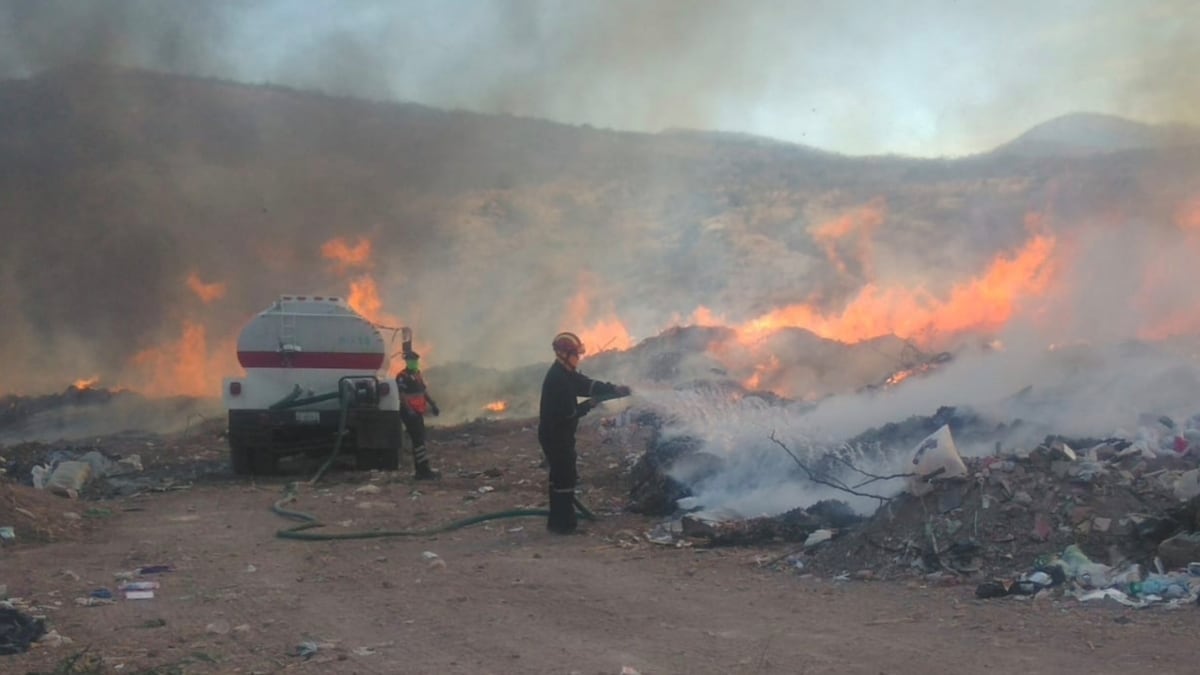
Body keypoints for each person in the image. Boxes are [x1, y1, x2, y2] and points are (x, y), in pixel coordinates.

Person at [538, 331, 631, 534]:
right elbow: (568, 413)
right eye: (576, 354)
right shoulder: (558, 379)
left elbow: (585, 385)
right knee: (565, 478)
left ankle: (558, 522)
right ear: (565, 354)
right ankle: (564, 526)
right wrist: (590, 404)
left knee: (561, 477)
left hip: (558, 434)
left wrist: (613, 389)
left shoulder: (565, 373)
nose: (578, 358)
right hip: (556, 435)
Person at [396, 350, 440, 480]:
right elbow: (402, 396)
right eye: (411, 361)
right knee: (418, 440)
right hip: (409, 413)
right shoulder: (402, 376)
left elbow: (423, 391)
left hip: (418, 411)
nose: (414, 363)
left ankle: (422, 469)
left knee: (420, 440)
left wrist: (433, 404)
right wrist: (409, 410)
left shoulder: (417, 374)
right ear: (407, 362)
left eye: (415, 361)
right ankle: (422, 471)